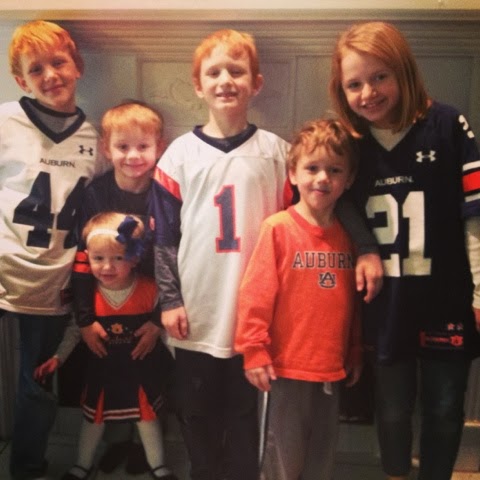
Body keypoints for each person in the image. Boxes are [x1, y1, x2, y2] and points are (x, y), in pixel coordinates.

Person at [151, 29, 382, 480]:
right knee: (197, 415)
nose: (225, 80)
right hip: (197, 309)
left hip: (260, 321)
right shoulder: (179, 155)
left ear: (256, 83)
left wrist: (366, 247)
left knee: (248, 424)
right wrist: (170, 298)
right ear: (197, 85)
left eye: (236, 71)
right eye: (213, 72)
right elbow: (164, 237)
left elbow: (325, 206)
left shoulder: (278, 154)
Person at [329, 20, 480, 480]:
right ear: (341, 90)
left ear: (404, 71)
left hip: (446, 295)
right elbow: (337, 202)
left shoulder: (447, 124)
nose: (368, 93)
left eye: (380, 77)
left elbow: (474, 215)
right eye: (355, 84)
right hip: (387, 301)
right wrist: (366, 247)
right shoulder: (350, 142)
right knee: (392, 408)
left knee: (445, 406)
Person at [0, 20, 106, 480]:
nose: (50, 75)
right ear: (21, 80)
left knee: (37, 382)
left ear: (77, 65)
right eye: (36, 69)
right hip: (5, 264)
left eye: (58, 62)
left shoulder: (95, 139)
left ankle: (26, 466)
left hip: (50, 280)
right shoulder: (6, 120)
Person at [235, 118, 363, 480]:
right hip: (283, 369)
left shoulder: (349, 236)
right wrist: (253, 350)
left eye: (334, 170)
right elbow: (255, 295)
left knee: (320, 461)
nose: (323, 178)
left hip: (331, 368)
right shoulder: (278, 228)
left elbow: (351, 304)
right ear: (293, 174)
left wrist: (355, 350)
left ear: (349, 179)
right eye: (312, 168)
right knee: (282, 464)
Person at [70, 100, 176, 475]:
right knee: (109, 375)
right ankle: (118, 441)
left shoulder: (165, 194)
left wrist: (158, 319)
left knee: (150, 375)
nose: (133, 156)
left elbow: (172, 260)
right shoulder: (96, 195)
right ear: (106, 148)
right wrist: (84, 320)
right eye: (123, 146)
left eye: (143, 146)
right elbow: (82, 260)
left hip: (150, 304)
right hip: (106, 303)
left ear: (159, 147)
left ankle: (147, 451)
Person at [62, 212, 177, 480]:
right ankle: (82, 465)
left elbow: (166, 330)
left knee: (147, 417)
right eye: (98, 258)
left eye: (117, 258)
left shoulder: (150, 289)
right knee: (94, 419)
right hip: (102, 372)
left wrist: (182, 360)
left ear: (134, 258)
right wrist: (58, 357)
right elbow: (75, 330)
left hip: (141, 371)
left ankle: (158, 467)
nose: (107, 267)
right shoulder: (87, 297)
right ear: (87, 257)